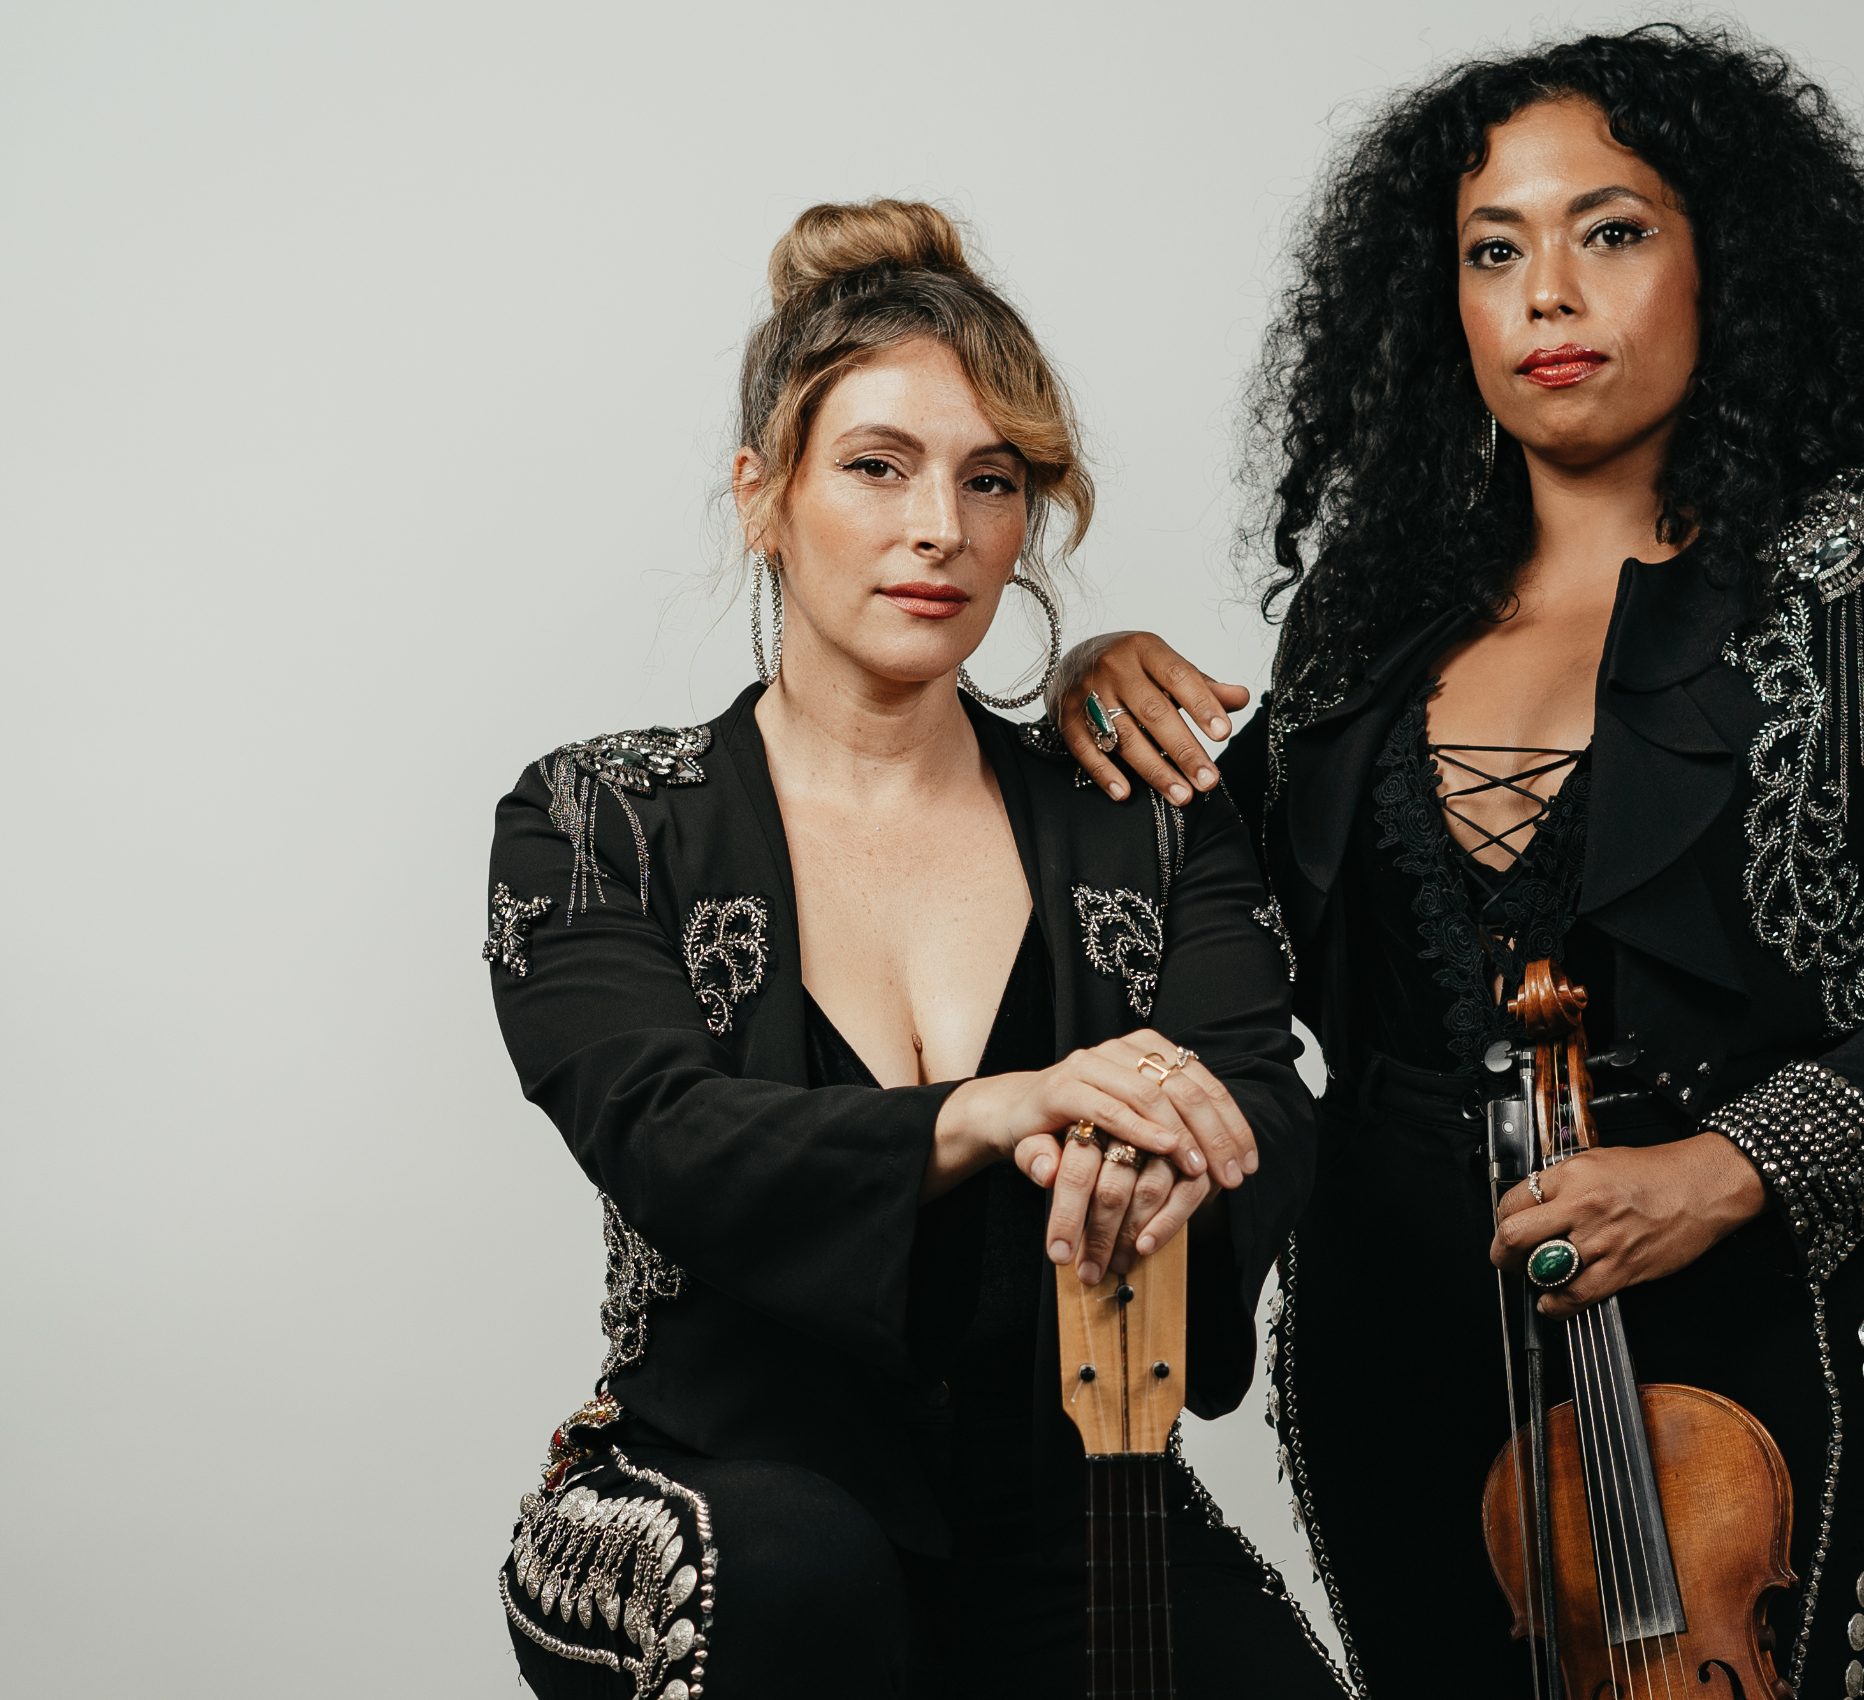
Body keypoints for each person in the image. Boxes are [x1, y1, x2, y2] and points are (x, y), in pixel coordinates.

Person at [1051, 25, 1864, 1699]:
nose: (1546, 295)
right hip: (1386, 1309)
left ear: (1720, 258)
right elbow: (1195, 909)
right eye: (1492, 249)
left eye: (1610, 231)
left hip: (1733, 1318)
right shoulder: (1371, 609)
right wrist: (1099, 691)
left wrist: (1715, 1176)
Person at [482, 199, 1346, 1700]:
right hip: (710, 1489)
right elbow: (663, 1133)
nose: (938, 526)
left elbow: (1262, 1094)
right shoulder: (601, 816)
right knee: (802, 1579)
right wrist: (996, 1108)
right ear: (762, 493)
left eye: (989, 479)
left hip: (1069, 1485)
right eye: (876, 467)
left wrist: (1178, 1155)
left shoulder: (1133, 818)